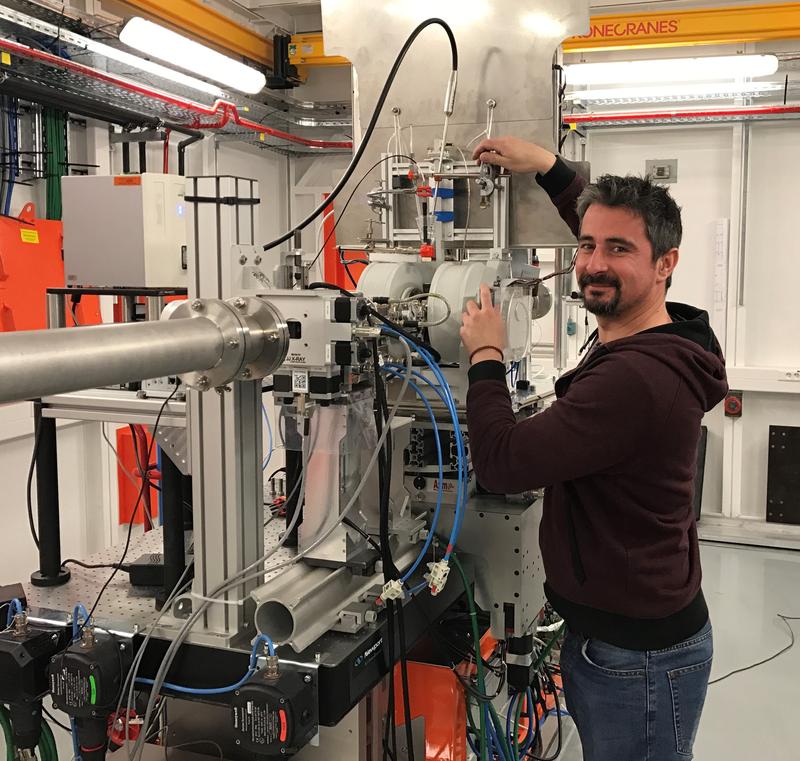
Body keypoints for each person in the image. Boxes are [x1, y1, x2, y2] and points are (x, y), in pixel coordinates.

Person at [460, 136, 728, 761]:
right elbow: (605, 237)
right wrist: (549, 169)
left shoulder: (634, 380)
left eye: (619, 249)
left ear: (667, 263)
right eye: (586, 246)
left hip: (635, 660)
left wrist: (485, 355)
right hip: (627, 637)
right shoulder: (674, 333)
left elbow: (501, 462)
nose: (593, 263)